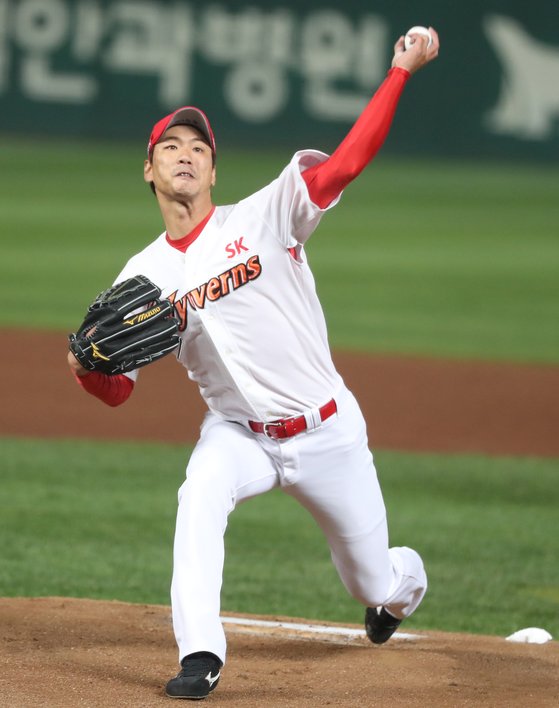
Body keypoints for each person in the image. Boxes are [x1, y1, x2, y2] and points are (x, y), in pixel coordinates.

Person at [67, 29, 439, 701]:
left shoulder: (266, 215)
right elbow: (118, 390)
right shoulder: (141, 276)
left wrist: (399, 72)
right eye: (170, 147)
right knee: (198, 494)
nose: (185, 155)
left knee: (371, 581)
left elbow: (344, 166)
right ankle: (200, 655)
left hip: (326, 432)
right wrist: (85, 370)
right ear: (148, 170)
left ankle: (403, 585)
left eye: (199, 148)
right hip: (238, 434)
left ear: (213, 172)